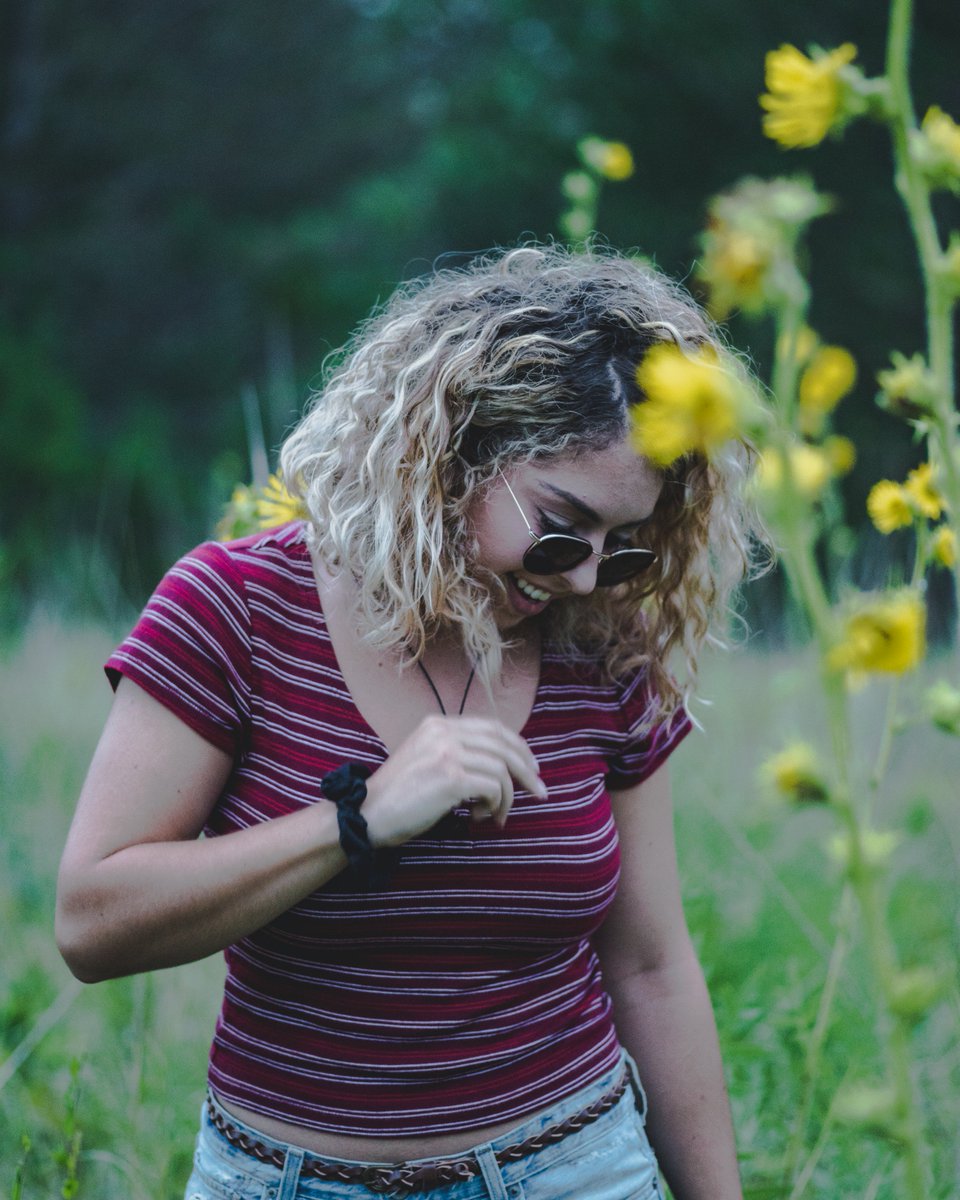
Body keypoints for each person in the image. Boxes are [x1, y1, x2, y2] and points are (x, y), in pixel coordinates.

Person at [56, 243, 759, 1200]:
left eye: (622, 547)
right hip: (289, 1181)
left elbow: (649, 965)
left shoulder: (602, 646)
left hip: (577, 1168)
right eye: (563, 524)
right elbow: (93, 923)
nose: (587, 576)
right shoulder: (236, 610)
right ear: (459, 452)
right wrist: (359, 818)